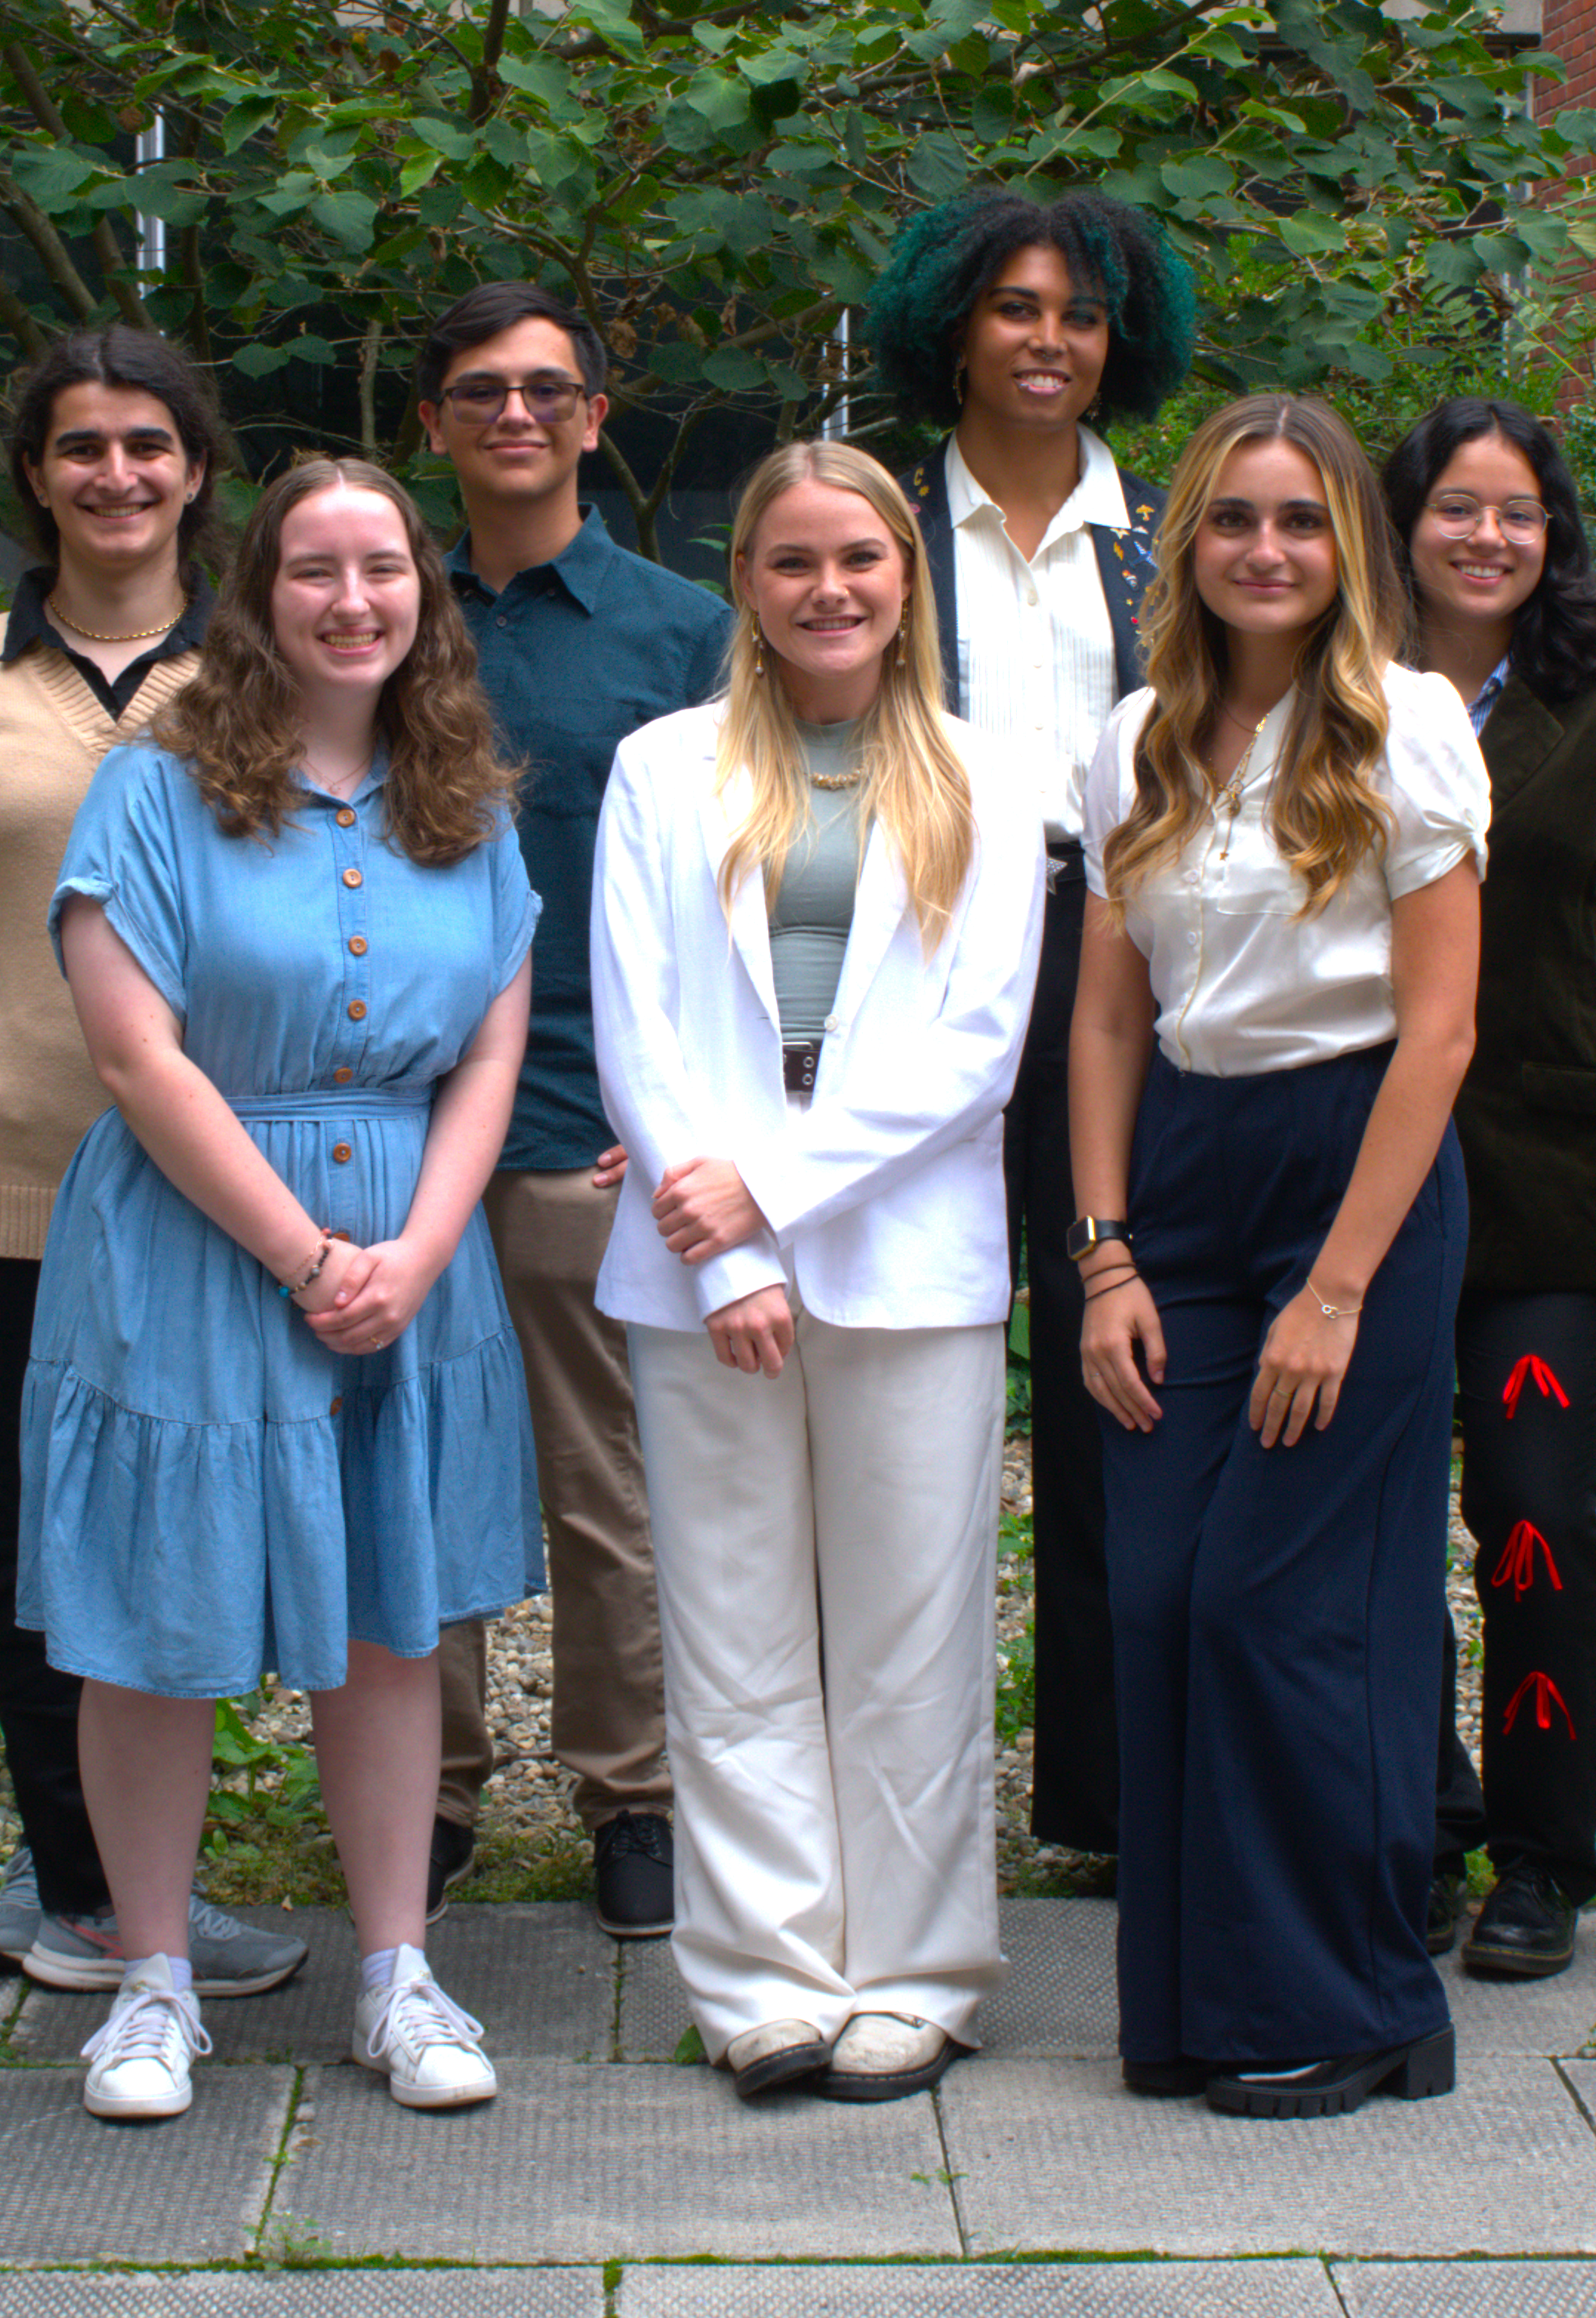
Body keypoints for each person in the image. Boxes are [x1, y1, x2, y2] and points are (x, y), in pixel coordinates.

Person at [19, 458, 544, 2122]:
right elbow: (132, 1050)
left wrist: (420, 1248)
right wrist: (311, 1254)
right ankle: (152, 1979)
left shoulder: (464, 789)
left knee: (394, 1616)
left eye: (383, 566)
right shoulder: (158, 784)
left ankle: (396, 1970)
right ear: (257, 593)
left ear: (423, 592)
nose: (351, 598)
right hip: (195, 1243)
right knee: (158, 1624)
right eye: (312, 568)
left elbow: (494, 1046)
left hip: (411, 1251)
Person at [589, 442, 1044, 2104]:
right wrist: (728, 1259)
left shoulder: (992, 779)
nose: (828, 588)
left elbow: (974, 1049)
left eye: (858, 556)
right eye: (790, 560)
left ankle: (917, 1969)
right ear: (746, 585)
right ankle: (762, 1973)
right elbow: (637, 1021)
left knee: (913, 1636)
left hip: (910, 1268)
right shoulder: (662, 768)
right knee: (731, 1630)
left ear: (907, 576)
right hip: (700, 1279)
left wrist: (764, 1197)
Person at [1071, 394, 1486, 2120]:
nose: (1264, 550)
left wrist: (1339, 1285)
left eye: (1300, 521)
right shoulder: (1134, 738)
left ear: (1348, 550)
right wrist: (1101, 1255)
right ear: (1189, 542)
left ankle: (1363, 1998)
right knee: (1161, 1593)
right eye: (1233, 518)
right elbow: (1103, 1020)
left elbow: (1445, 1027)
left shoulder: (1411, 721)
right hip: (1180, 1178)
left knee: (1284, 1599)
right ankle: (1193, 2002)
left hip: (1353, 1174)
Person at [0, 324, 306, 2003]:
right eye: (80, 446)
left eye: (148, 443)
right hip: (12, 1175)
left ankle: (137, 1872)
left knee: (183, 1531)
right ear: (34, 474)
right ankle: (84, 1893)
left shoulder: (270, 670)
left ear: (199, 471)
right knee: (38, 1540)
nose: (115, 474)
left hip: (217, 1180)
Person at [866, 190, 1195, 1861]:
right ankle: (894, 1796)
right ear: (952, 327)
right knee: (912, 1350)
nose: (1048, 339)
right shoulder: (883, 525)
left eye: (1077, 312)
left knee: (1111, 1367)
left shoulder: (1176, 528)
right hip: (919, 952)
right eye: (1013, 307)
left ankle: (1109, 1789)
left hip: (1125, 957)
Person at [412, 283, 734, 1940]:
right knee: (416, 1474)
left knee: (611, 1490)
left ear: (597, 417)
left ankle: (634, 1794)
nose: (516, 416)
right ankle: (431, 1791)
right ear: (435, 426)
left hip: (582, 1128)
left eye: (548, 390)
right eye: (481, 392)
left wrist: (678, 1106)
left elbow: (729, 887)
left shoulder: (681, 631)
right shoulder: (384, 609)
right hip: (390, 1138)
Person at [1381, 398, 1596, 1980]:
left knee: (1530, 1514)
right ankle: (1414, 1819)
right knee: (1370, 1516)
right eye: (1455, 506)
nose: (1486, 536)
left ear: (1551, 533)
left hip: (1539, 1197)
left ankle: (1541, 1847)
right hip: (1356, 1178)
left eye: (1516, 510)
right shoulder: (1331, 700)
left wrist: (1572, 1083)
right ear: (1403, 522)